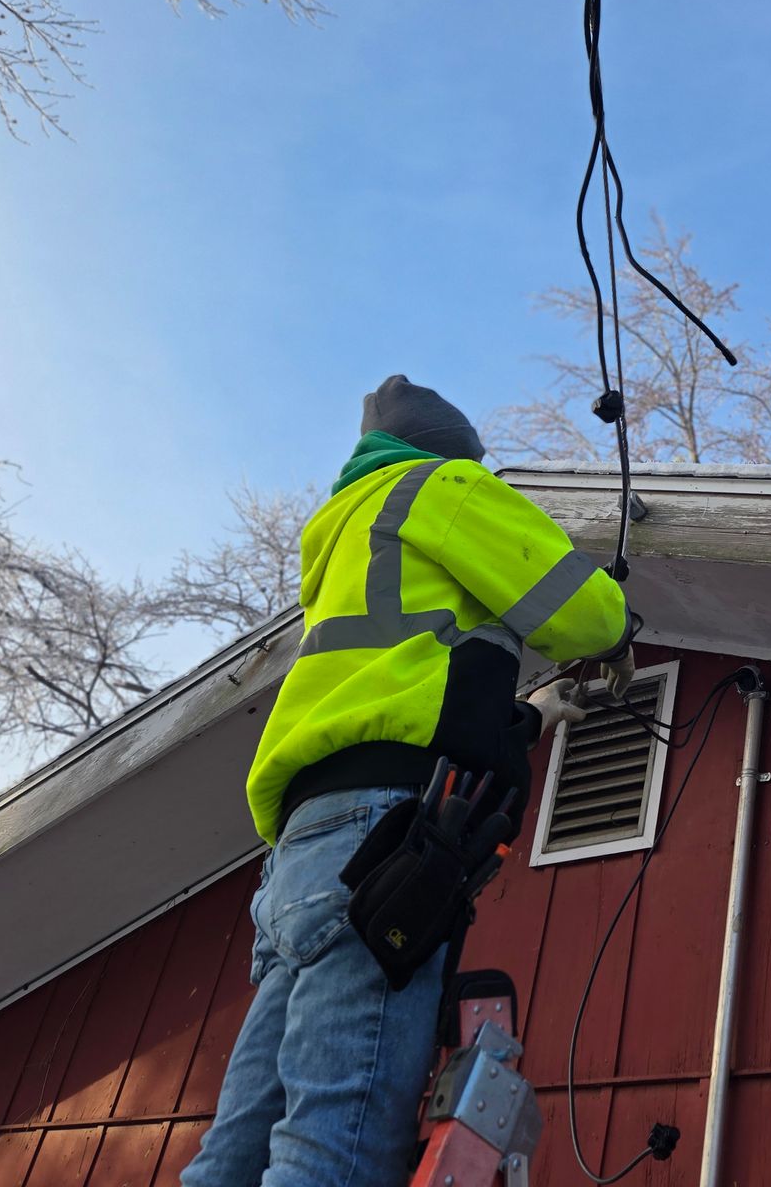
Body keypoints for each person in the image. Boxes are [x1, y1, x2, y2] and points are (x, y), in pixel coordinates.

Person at [182, 375, 634, 1187]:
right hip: (380, 839)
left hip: (299, 856)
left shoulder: (345, 534)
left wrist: (528, 711)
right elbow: (584, 613)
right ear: (454, 451)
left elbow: (413, 683)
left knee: (234, 1157)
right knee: (336, 1148)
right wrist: (613, 623)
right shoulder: (441, 485)